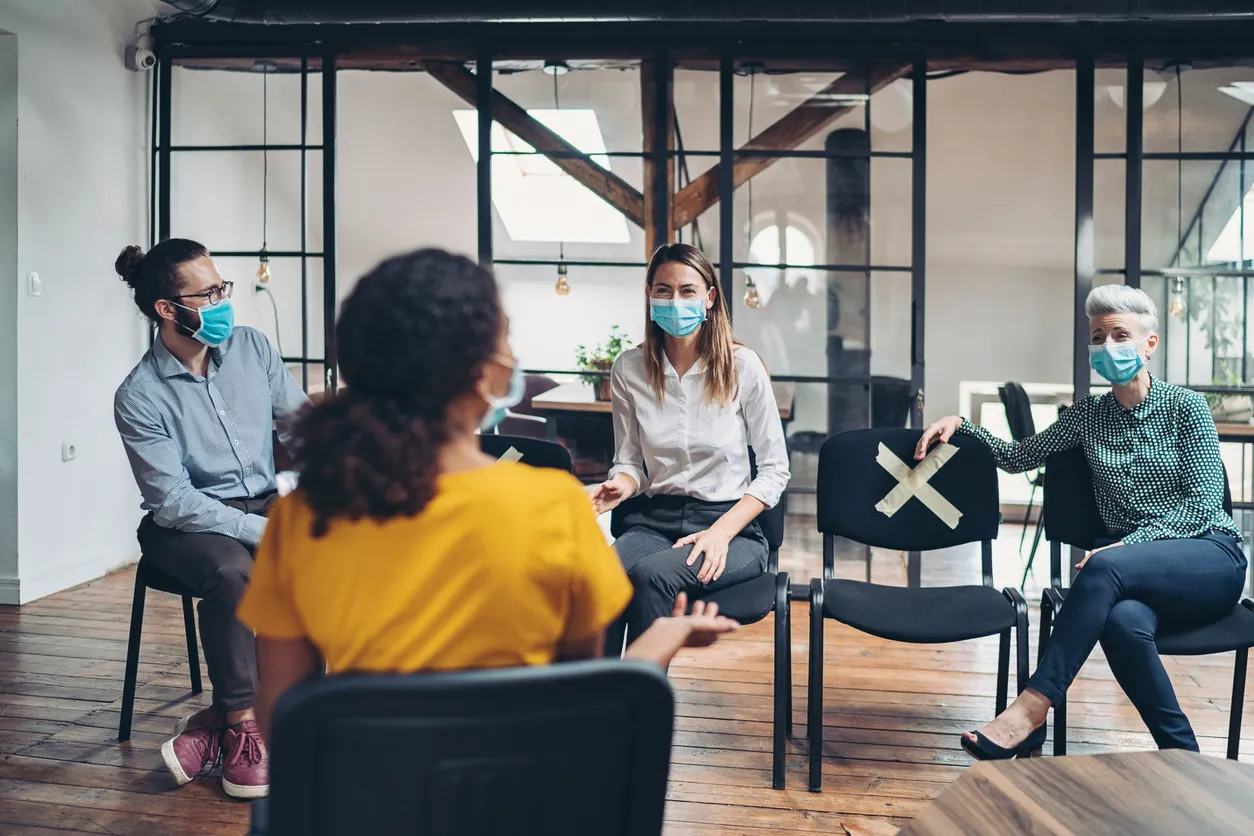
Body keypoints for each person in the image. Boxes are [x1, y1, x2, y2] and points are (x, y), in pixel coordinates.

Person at [235, 248, 740, 745]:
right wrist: (665, 637)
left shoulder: (301, 518)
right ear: (484, 373)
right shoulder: (552, 509)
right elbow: (588, 706)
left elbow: (285, 721)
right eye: (506, 340)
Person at [915, 284, 1248, 759]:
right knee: (1122, 621)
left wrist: (1127, 548)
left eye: (1120, 334)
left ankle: (1030, 710)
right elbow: (1017, 457)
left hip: (1208, 558)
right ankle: (1187, 760)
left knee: (1102, 567)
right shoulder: (1088, 416)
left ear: (1149, 344)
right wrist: (961, 426)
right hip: (1135, 580)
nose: (1108, 346)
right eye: (1098, 336)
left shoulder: (1185, 407)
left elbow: (1202, 503)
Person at [113, 239, 308, 798]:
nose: (224, 302)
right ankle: (245, 728)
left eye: (223, 288)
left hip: (264, 501)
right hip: (184, 525)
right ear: (167, 310)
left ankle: (223, 726)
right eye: (209, 294)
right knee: (235, 573)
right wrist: (262, 532)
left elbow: (300, 425)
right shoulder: (139, 395)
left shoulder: (252, 349)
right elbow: (174, 500)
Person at [589, 243, 790, 656]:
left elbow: (775, 471)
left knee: (651, 577)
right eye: (662, 290)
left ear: (709, 298)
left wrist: (720, 533)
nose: (674, 300)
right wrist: (620, 486)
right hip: (653, 522)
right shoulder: (629, 368)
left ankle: (641, 712)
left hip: (731, 527)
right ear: (649, 294)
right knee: (598, 577)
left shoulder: (743, 366)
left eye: (687, 290)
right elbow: (630, 462)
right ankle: (597, 704)